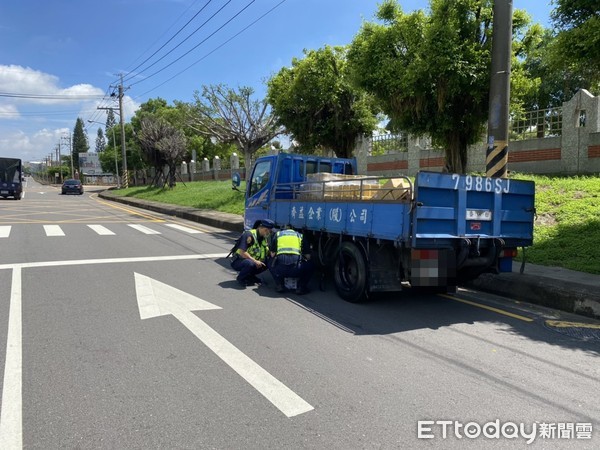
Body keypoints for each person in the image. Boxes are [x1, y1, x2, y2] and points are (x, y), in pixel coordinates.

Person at [268, 226, 315, 295]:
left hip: (280, 270)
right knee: (311, 265)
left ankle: (279, 285)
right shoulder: (300, 236)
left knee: (269, 261)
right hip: (296, 269)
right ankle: (301, 287)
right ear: (293, 230)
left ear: (284, 230)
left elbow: (272, 254)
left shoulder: (278, 235)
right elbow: (308, 256)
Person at [230, 219, 274, 286]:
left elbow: (266, 252)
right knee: (250, 263)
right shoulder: (249, 235)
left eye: (269, 231)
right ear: (260, 228)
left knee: (269, 262)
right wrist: (255, 261)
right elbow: (242, 252)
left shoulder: (263, 238)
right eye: (266, 230)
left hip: (251, 260)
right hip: (238, 260)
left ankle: (250, 276)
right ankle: (241, 278)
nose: (268, 233)